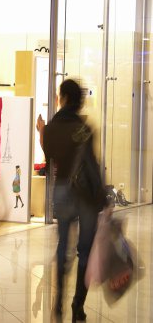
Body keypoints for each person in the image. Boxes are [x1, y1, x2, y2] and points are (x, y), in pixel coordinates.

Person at [37, 79, 108, 322]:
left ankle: (57, 302)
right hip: (85, 195)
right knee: (84, 251)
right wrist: (103, 196)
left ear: (64, 97)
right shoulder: (83, 127)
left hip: (62, 190)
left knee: (62, 247)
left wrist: (41, 131)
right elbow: (92, 163)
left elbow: (49, 154)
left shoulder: (53, 126)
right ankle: (78, 305)